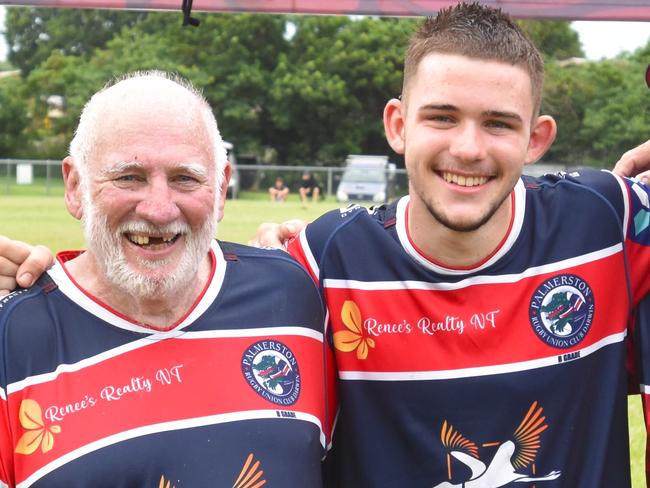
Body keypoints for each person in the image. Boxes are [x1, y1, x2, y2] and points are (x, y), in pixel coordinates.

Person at [3, 4, 650, 487]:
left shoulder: (607, 222)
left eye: (499, 124)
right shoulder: (321, 262)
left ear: (538, 138)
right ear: (398, 124)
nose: (469, 147)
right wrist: (35, 287)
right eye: (443, 116)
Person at [0, 71, 330, 487]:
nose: (159, 209)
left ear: (221, 189)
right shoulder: (12, 338)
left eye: (185, 178)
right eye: (128, 177)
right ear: (75, 186)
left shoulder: (294, 294)